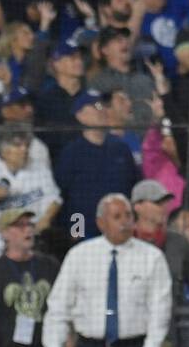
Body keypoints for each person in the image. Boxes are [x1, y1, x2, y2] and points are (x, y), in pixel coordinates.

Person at [44, 193, 172, 347]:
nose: (125, 222)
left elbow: (160, 309)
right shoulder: (79, 256)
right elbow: (58, 306)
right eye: (117, 217)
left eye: (128, 215)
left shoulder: (152, 257)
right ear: (101, 223)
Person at [52, 90, 139, 247]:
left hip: (120, 230)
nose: (101, 111)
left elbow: (133, 186)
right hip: (86, 234)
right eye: (94, 107)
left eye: (102, 106)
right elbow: (66, 197)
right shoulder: (71, 153)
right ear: (80, 115)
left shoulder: (121, 148)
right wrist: (76, 232)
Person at [0, 124, 61, 266]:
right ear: (4, 151)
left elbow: (54, 199)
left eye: (26, 145)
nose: (24, 150)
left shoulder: (38, 168)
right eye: (18, 146)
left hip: (29, 243)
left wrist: (45, 219)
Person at [0, 208, 58, 347]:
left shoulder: (50, 266)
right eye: (20, 226)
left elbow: (64, 309)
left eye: (30, 224)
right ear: (4, 233)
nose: (28, 230)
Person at [131, 180, 189, 309]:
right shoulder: (126, 242)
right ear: (137, 206)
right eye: (157, 202)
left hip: (172, 321)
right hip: (132, 321)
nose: (163, 207)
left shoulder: (179, 243)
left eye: (165, 202)